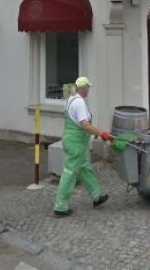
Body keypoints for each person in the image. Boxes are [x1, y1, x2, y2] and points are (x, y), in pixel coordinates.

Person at [54, 76, 111, 217]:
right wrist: (101, 132)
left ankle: (97, 196)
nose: (89, 90)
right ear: (83, 88)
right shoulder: (79, 103)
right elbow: (84, 124)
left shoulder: (71, 99)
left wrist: (94, 132)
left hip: (73, 141)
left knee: (85, 168)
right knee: (69, 173)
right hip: (76, 144)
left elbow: (79, 123)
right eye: (88, 87)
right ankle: (60, 207)